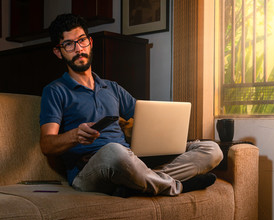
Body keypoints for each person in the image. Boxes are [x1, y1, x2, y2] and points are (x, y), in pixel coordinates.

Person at [40, 13, 223, 197]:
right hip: (89, 171)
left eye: (82, 40)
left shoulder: (111, 88)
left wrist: (165, 140)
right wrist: (74, 136)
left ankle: (137, 183)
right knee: (114, 152)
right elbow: (46, 145)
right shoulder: (55, 91)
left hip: (130, 161)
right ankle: (177, 186)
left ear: (90, 42)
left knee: (211, 150)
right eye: (69, 44)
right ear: (59, 52)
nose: (79, 49)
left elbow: (147, 118)